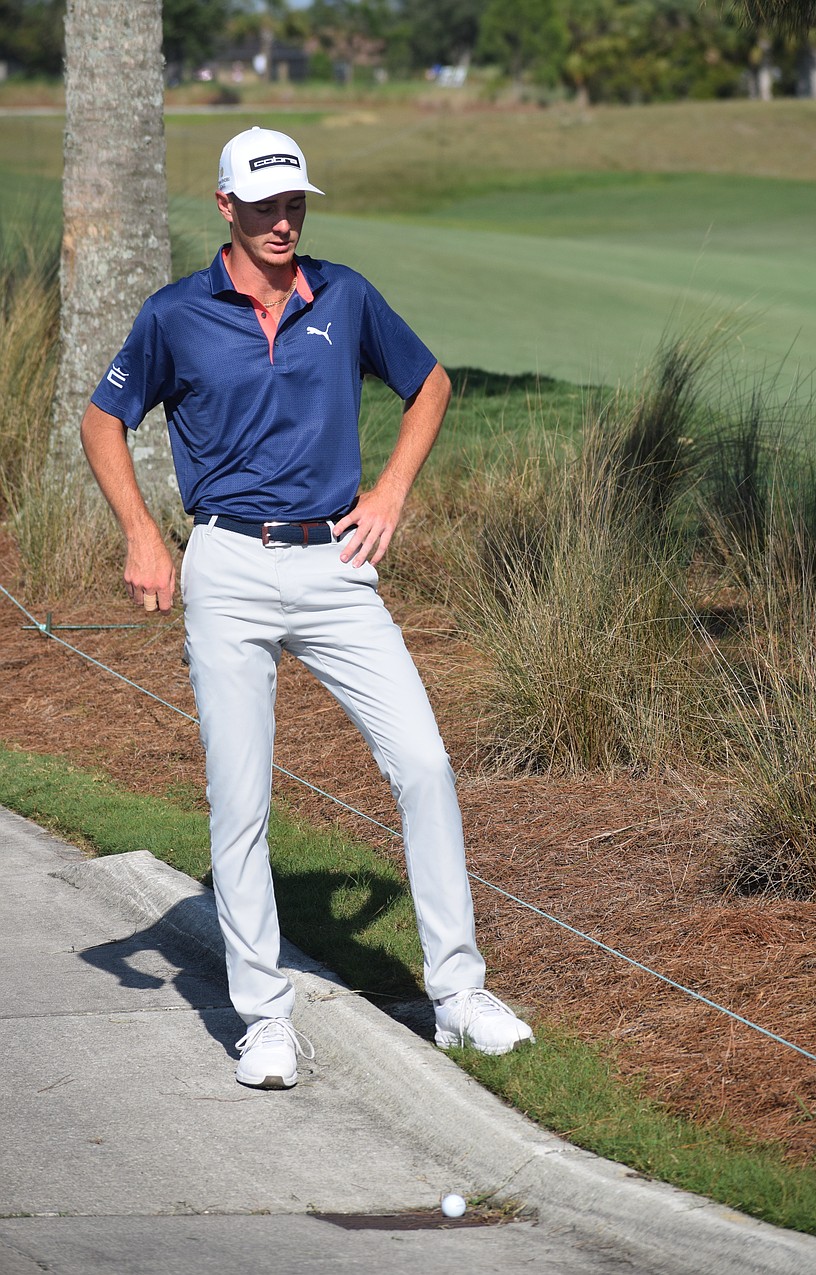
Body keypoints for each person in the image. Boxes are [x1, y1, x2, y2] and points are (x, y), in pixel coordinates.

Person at [81, 126, 534, 1089]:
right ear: (226, 207)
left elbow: (430, 383)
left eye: (294, 205)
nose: (284, 223)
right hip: (228, 566)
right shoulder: (175, 314)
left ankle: (458, 996)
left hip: (337, 563)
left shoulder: (347, 296)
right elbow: (103, 416)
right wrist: (141, 533)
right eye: (265, 207)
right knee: (241, 800)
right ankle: (265, 1018)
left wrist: (392, 492)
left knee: (424, 763)